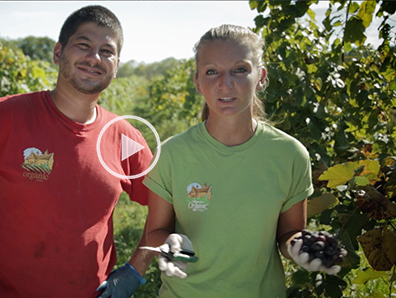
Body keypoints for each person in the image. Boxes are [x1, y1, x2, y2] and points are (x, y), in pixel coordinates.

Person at [0, 5, 153, 298]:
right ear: (58, 53)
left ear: (117, 65)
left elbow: (167, 205)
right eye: (83, 45)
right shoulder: (4, 117)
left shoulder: (124, 137)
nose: (94, 58)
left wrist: (136, 268)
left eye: (106, 51)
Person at [143, 24, 342, 297]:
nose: (226, 83)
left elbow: (289, 234)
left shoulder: (290, 155)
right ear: (198, 83)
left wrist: (300, 246)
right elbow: (156, 230)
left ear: (260, 77)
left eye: (240, 69)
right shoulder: (173, 154)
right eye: (212, 72)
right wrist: (168, 245)